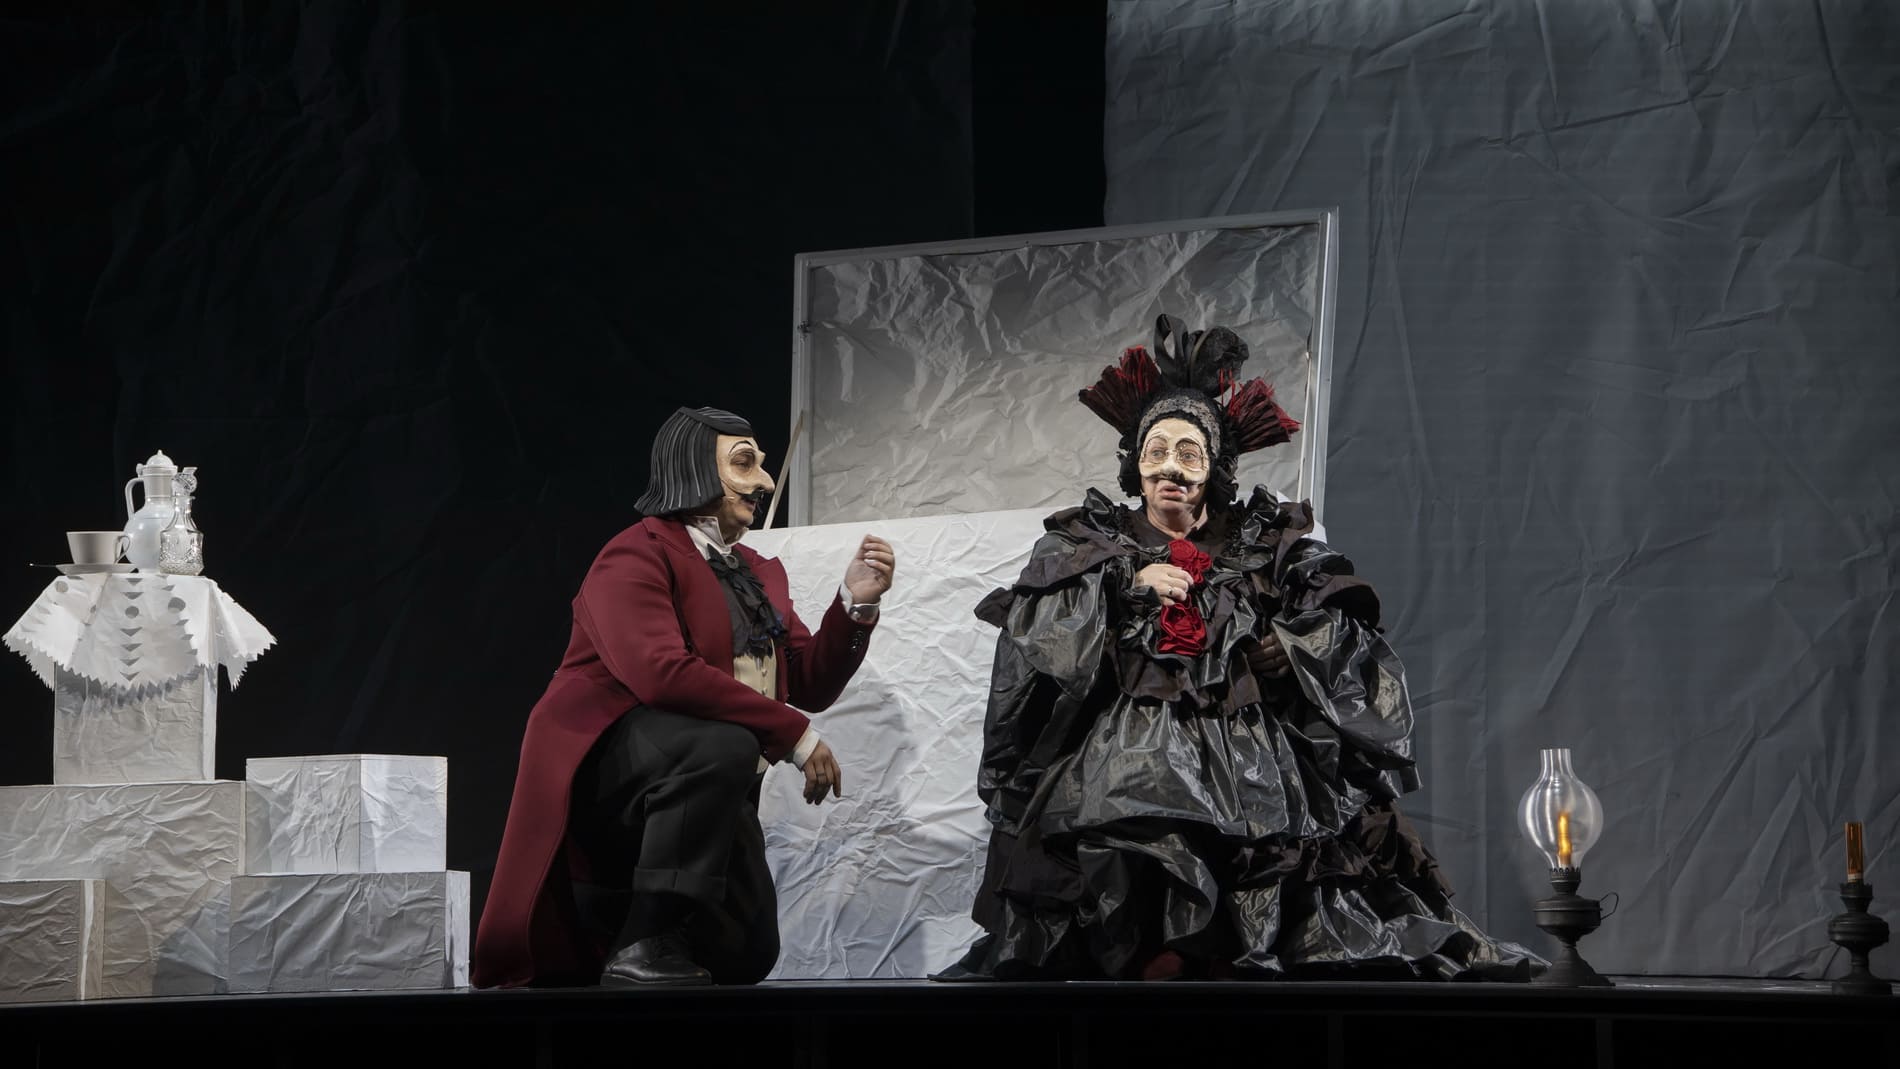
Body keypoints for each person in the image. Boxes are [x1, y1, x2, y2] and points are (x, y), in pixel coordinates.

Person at [936, 316, 1538, 981]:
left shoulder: (1265, 541)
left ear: (1214, 467)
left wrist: (1294, 645)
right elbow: (1036, 632)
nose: (1170, 467)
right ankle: (1148, 942)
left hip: (1255, 761)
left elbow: (1340, 619)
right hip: (1116, 756)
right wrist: (1125, 587)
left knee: (1276, 840)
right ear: (1135, 462)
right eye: (1156, 450)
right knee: (1130, 791)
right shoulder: (1087, 544)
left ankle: (1225, 946)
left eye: (1189, 453)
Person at [473, 406, 895, 988]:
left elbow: (808, 682)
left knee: (746, 952)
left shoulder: (755, 572)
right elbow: (661, 673)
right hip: (623, 771)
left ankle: (640, 942)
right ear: (694, 468)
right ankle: (642, 942)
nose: (763, 481)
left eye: (762, 465)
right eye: (744, 464)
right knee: (724, 742)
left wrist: (857, 605)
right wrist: (792, 734)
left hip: (708, 777)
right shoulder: (636, 554)